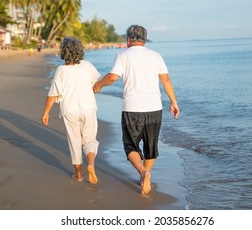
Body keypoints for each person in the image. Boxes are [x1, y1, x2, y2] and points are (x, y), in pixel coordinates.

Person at [93, 25, 179, 195]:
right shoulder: (156, 56)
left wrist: (99, 85)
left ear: (128, 39)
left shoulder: (123, 55)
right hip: (155, 107)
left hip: (132, 108)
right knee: (151, 146)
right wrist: (174, 102)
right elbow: (166, 80)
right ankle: (146, 175)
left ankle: (143, 173)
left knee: (130, 145)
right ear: (145, 39)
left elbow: (112, 77)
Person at [42, 37, 101, 184]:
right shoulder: (87, 66)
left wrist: (46, 113)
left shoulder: (61, 70)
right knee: (89, 140)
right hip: (88, 107)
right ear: (80, 51)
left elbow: (53, 95)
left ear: (64, 52)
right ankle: (91, 165)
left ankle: (79, 175)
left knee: (74, 142)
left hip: (70, 109)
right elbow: (97, 84)